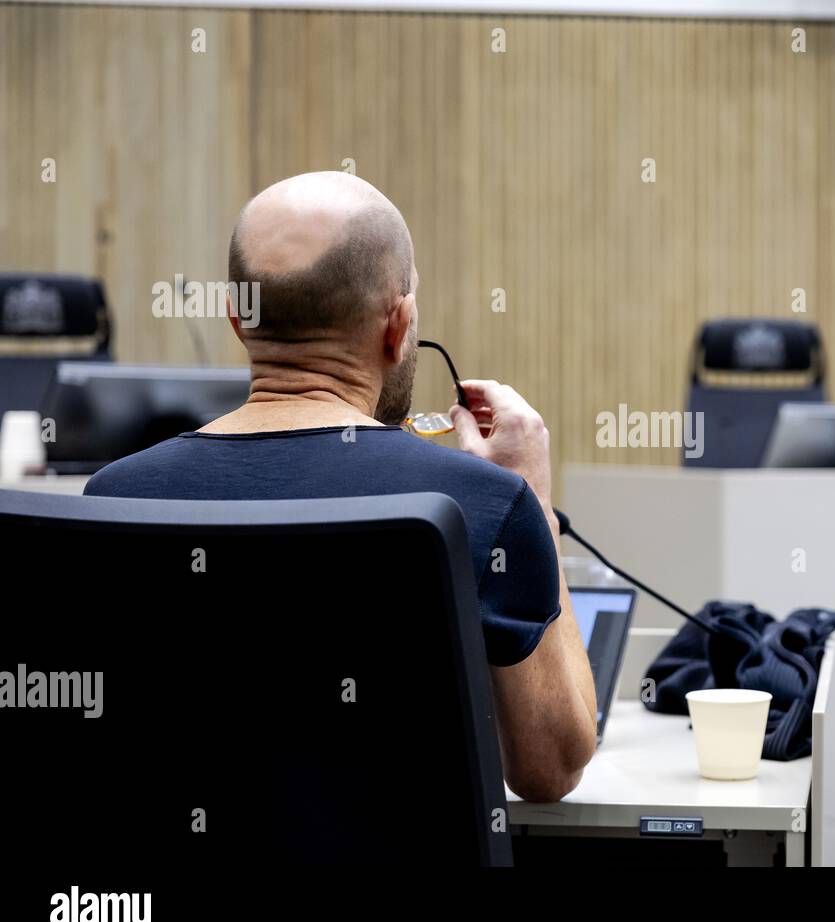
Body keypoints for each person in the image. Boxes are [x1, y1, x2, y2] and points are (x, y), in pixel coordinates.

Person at [84, 171, 597, 802]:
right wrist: (533, 503)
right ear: (397, 323)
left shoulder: (116, 500)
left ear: (237, 320)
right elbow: (551, 769)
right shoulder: (480, 503)